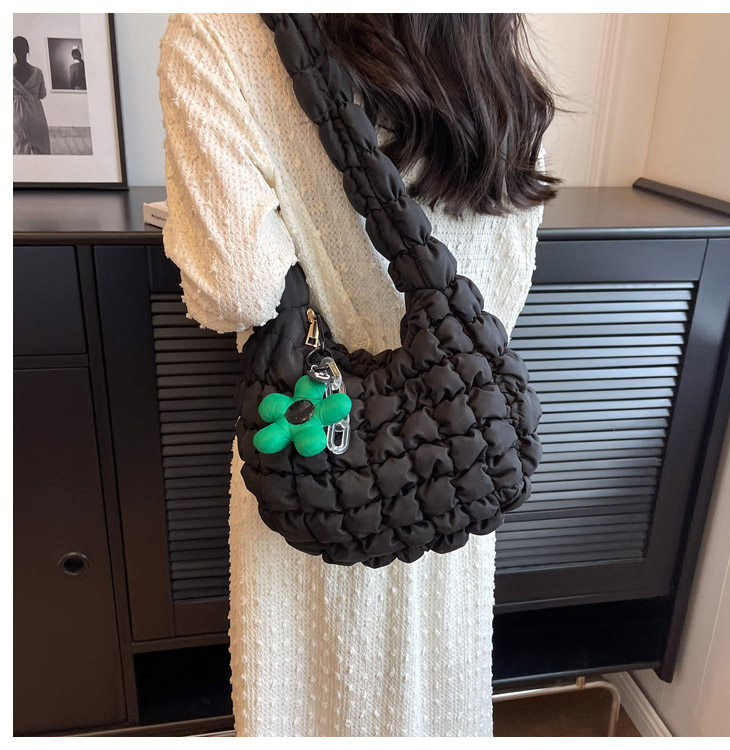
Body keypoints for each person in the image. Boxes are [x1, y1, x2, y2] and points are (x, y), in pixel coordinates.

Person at [158, 12, 558, 737]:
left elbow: (236, 287)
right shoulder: (487, 38)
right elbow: (505, 290)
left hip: (319, 476)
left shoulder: (217, 30)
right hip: (454, 469)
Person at [13, 35, 51, 155]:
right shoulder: (38, 72)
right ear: (27, 51)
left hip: (17, 117)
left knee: (19, 153)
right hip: (36, 116)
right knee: (42, 153)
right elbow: (42, 94)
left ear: (13, 52)